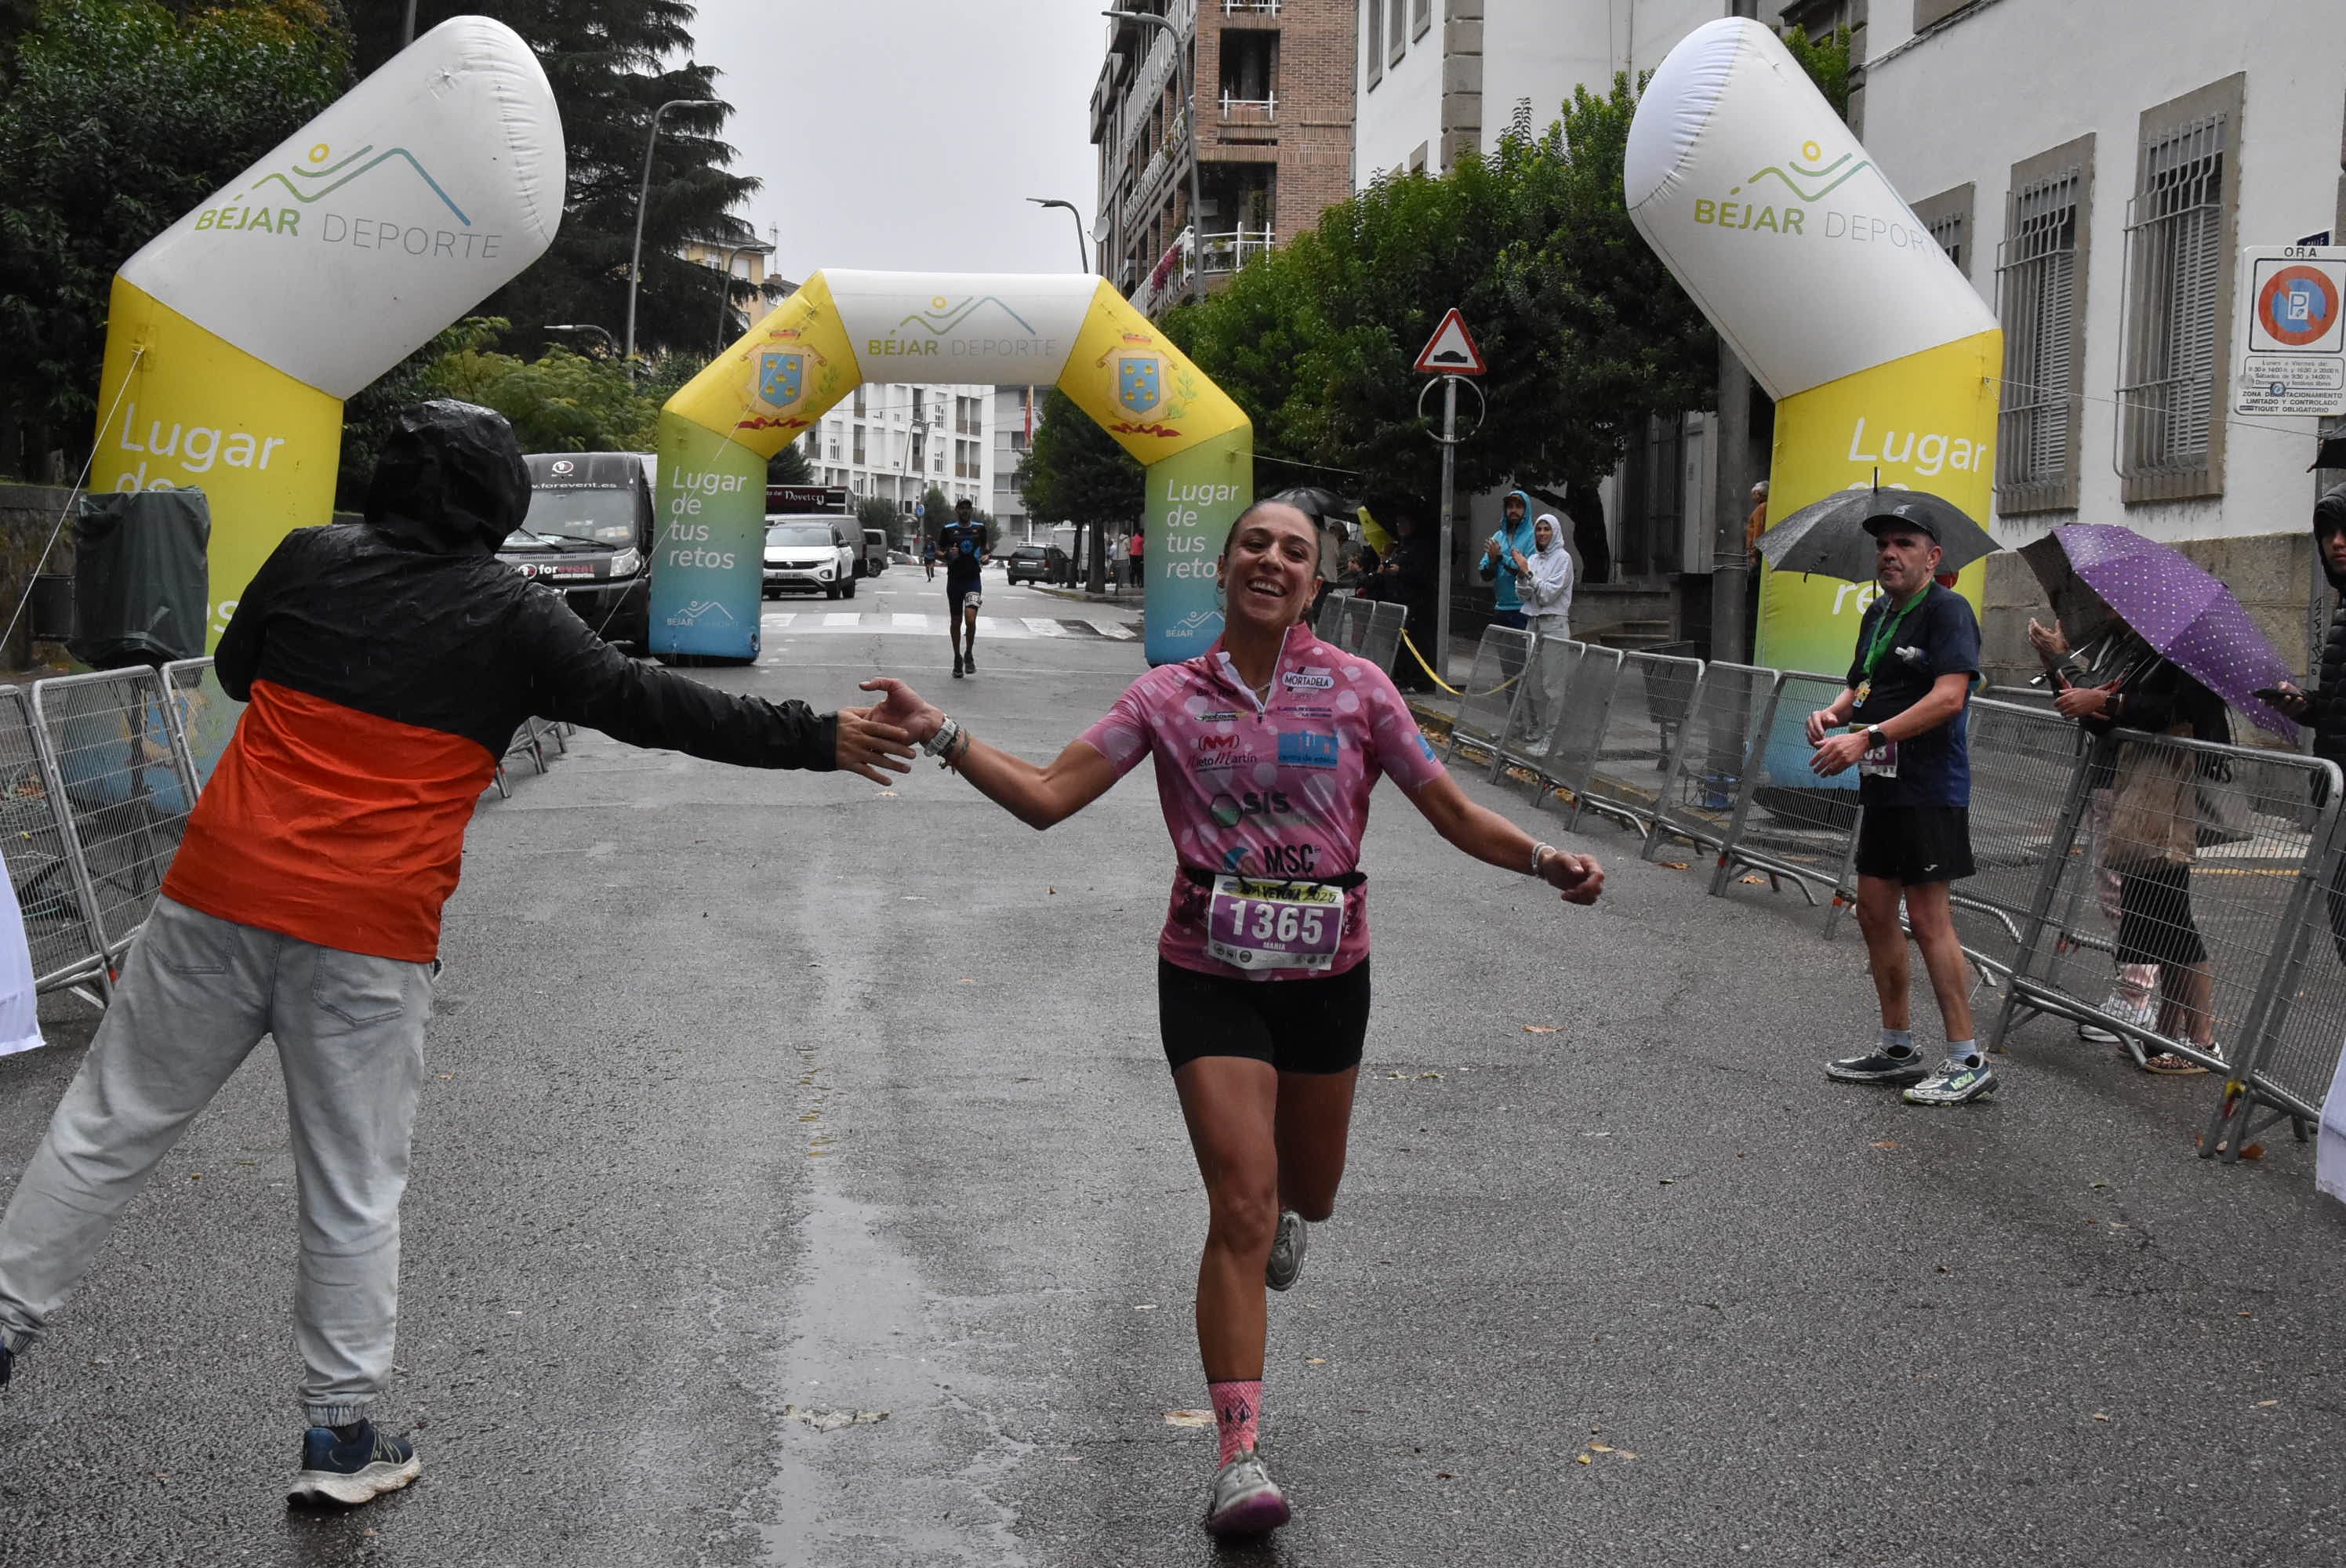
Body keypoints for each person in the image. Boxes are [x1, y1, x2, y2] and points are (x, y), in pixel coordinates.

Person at [0, 402, 913, 1504]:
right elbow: (648, 703)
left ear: (385, 480)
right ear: (503, 505)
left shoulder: (309, 557)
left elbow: (240, 675)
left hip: (216, 897)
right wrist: (816, 738)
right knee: (351, 1187)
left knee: (104, 1128)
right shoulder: (513, 617)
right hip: (368, 937)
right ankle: (339, 1443)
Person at [855, 501, 1604, 1536]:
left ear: (1316, 584)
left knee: (1310, 1195)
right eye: (1256, 543)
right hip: (1209, 972)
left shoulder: (1361, 691)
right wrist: (939, 729)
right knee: (1241, 1207)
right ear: (1224, 568)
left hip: (1329, 976)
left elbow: (1452, 810)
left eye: (1295, 551)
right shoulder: (1168, 696)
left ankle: (1292, 1213)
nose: (1273, 560)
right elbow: (1043, 796)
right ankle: (1239, 1456)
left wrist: (1542, 857)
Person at [1805, 506, 1991, 1106]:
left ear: (1933, 556)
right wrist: (1836, 713)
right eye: (1883, 544)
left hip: (1930, 785)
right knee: (1874, 911)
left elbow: (1949, 698)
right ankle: (1897, 1047)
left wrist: (1870, 735)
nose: (1889, 553)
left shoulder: (1948, 611)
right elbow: (1859, 683)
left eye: (1904, 543)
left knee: (1930, 918)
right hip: (1883, 783)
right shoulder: (1878, 612)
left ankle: (1967, 1059)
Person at [2055, 652, 2229, 1073]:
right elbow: (2107, 715)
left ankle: (2203, 1043)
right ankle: (2165, 1037)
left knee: (2172, 916)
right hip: (2139, 791)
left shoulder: (2184, 653)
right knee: (2153, 920)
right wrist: (2071, 678)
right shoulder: (2142, 648)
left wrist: (2108, 703)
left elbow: (2182, 709)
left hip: (2164, 792)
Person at [2029, 618, 2162, 1047]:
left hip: (2137, 779)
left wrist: (2063, 660)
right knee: (2115, 889)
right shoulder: (2114, 642)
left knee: (2129, 892)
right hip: (2111, 777)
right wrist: (2057, 665)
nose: (2102, 604)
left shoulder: (2151, 648)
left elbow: (2106, 705)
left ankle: (2136, 999)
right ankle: (2138, 997)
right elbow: (2080, 703)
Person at [1513, 514, 1575, 751]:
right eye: (1539, 529)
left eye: (1546, 529)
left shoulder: (1563, 559)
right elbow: (1524, 594)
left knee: (1553, 684)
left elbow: (1549, 595)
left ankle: (1553, 736)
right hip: (1533, 623)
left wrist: (1529, 574)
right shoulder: (1534, 559)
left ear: (1555, 532)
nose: (1541, 534)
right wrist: (1522, 574)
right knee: (1534, 682)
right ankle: (1540, 729)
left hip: (1554, 624)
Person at [1372, 511, 1439, 692]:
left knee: (1415, 644)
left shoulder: (1420, 548)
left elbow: (1422, 573)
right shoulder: (1399, 547)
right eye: (1398, 523)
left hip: (1415, 604)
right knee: (1400, 645)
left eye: (1404, 523)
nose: (1400, 527)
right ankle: (1401, 678)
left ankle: (1416, 680)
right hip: (1397, 602)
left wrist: (1400, 571)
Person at [938, 498, 990, 677]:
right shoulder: (948, 530)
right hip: (955, 581)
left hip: (973, 580)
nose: (965, 511)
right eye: (962, 508)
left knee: (971, 618)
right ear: (957, 510)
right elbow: (938, 551)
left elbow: (986, 549)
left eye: (968, 508)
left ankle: (968, 652)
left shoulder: (980, 529)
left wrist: (987, 556)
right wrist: (947, 555)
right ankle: (957, 658)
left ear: (971, 511)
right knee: (956, 621)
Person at [1476, 490, 1538, 631]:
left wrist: (1500, 558)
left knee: (1523, 653)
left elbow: (1526, 572)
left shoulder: (1532, 536)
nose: (1513, 511)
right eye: (1510, 507)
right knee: (1501, 653)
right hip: (1501, 608)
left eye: (1518, 507)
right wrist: (1492, 561)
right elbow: (1485, 575)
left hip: (1524, 609)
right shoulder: (1498, 536)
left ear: (1526, 509)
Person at [1128, 521, 1146, 593]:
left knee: (1133, 569)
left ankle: (1132, 583)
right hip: (1139, 556)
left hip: (1132, 555)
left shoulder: (1133, 538)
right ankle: (1140, 583)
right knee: (1140, 570)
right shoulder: (1142, 540)